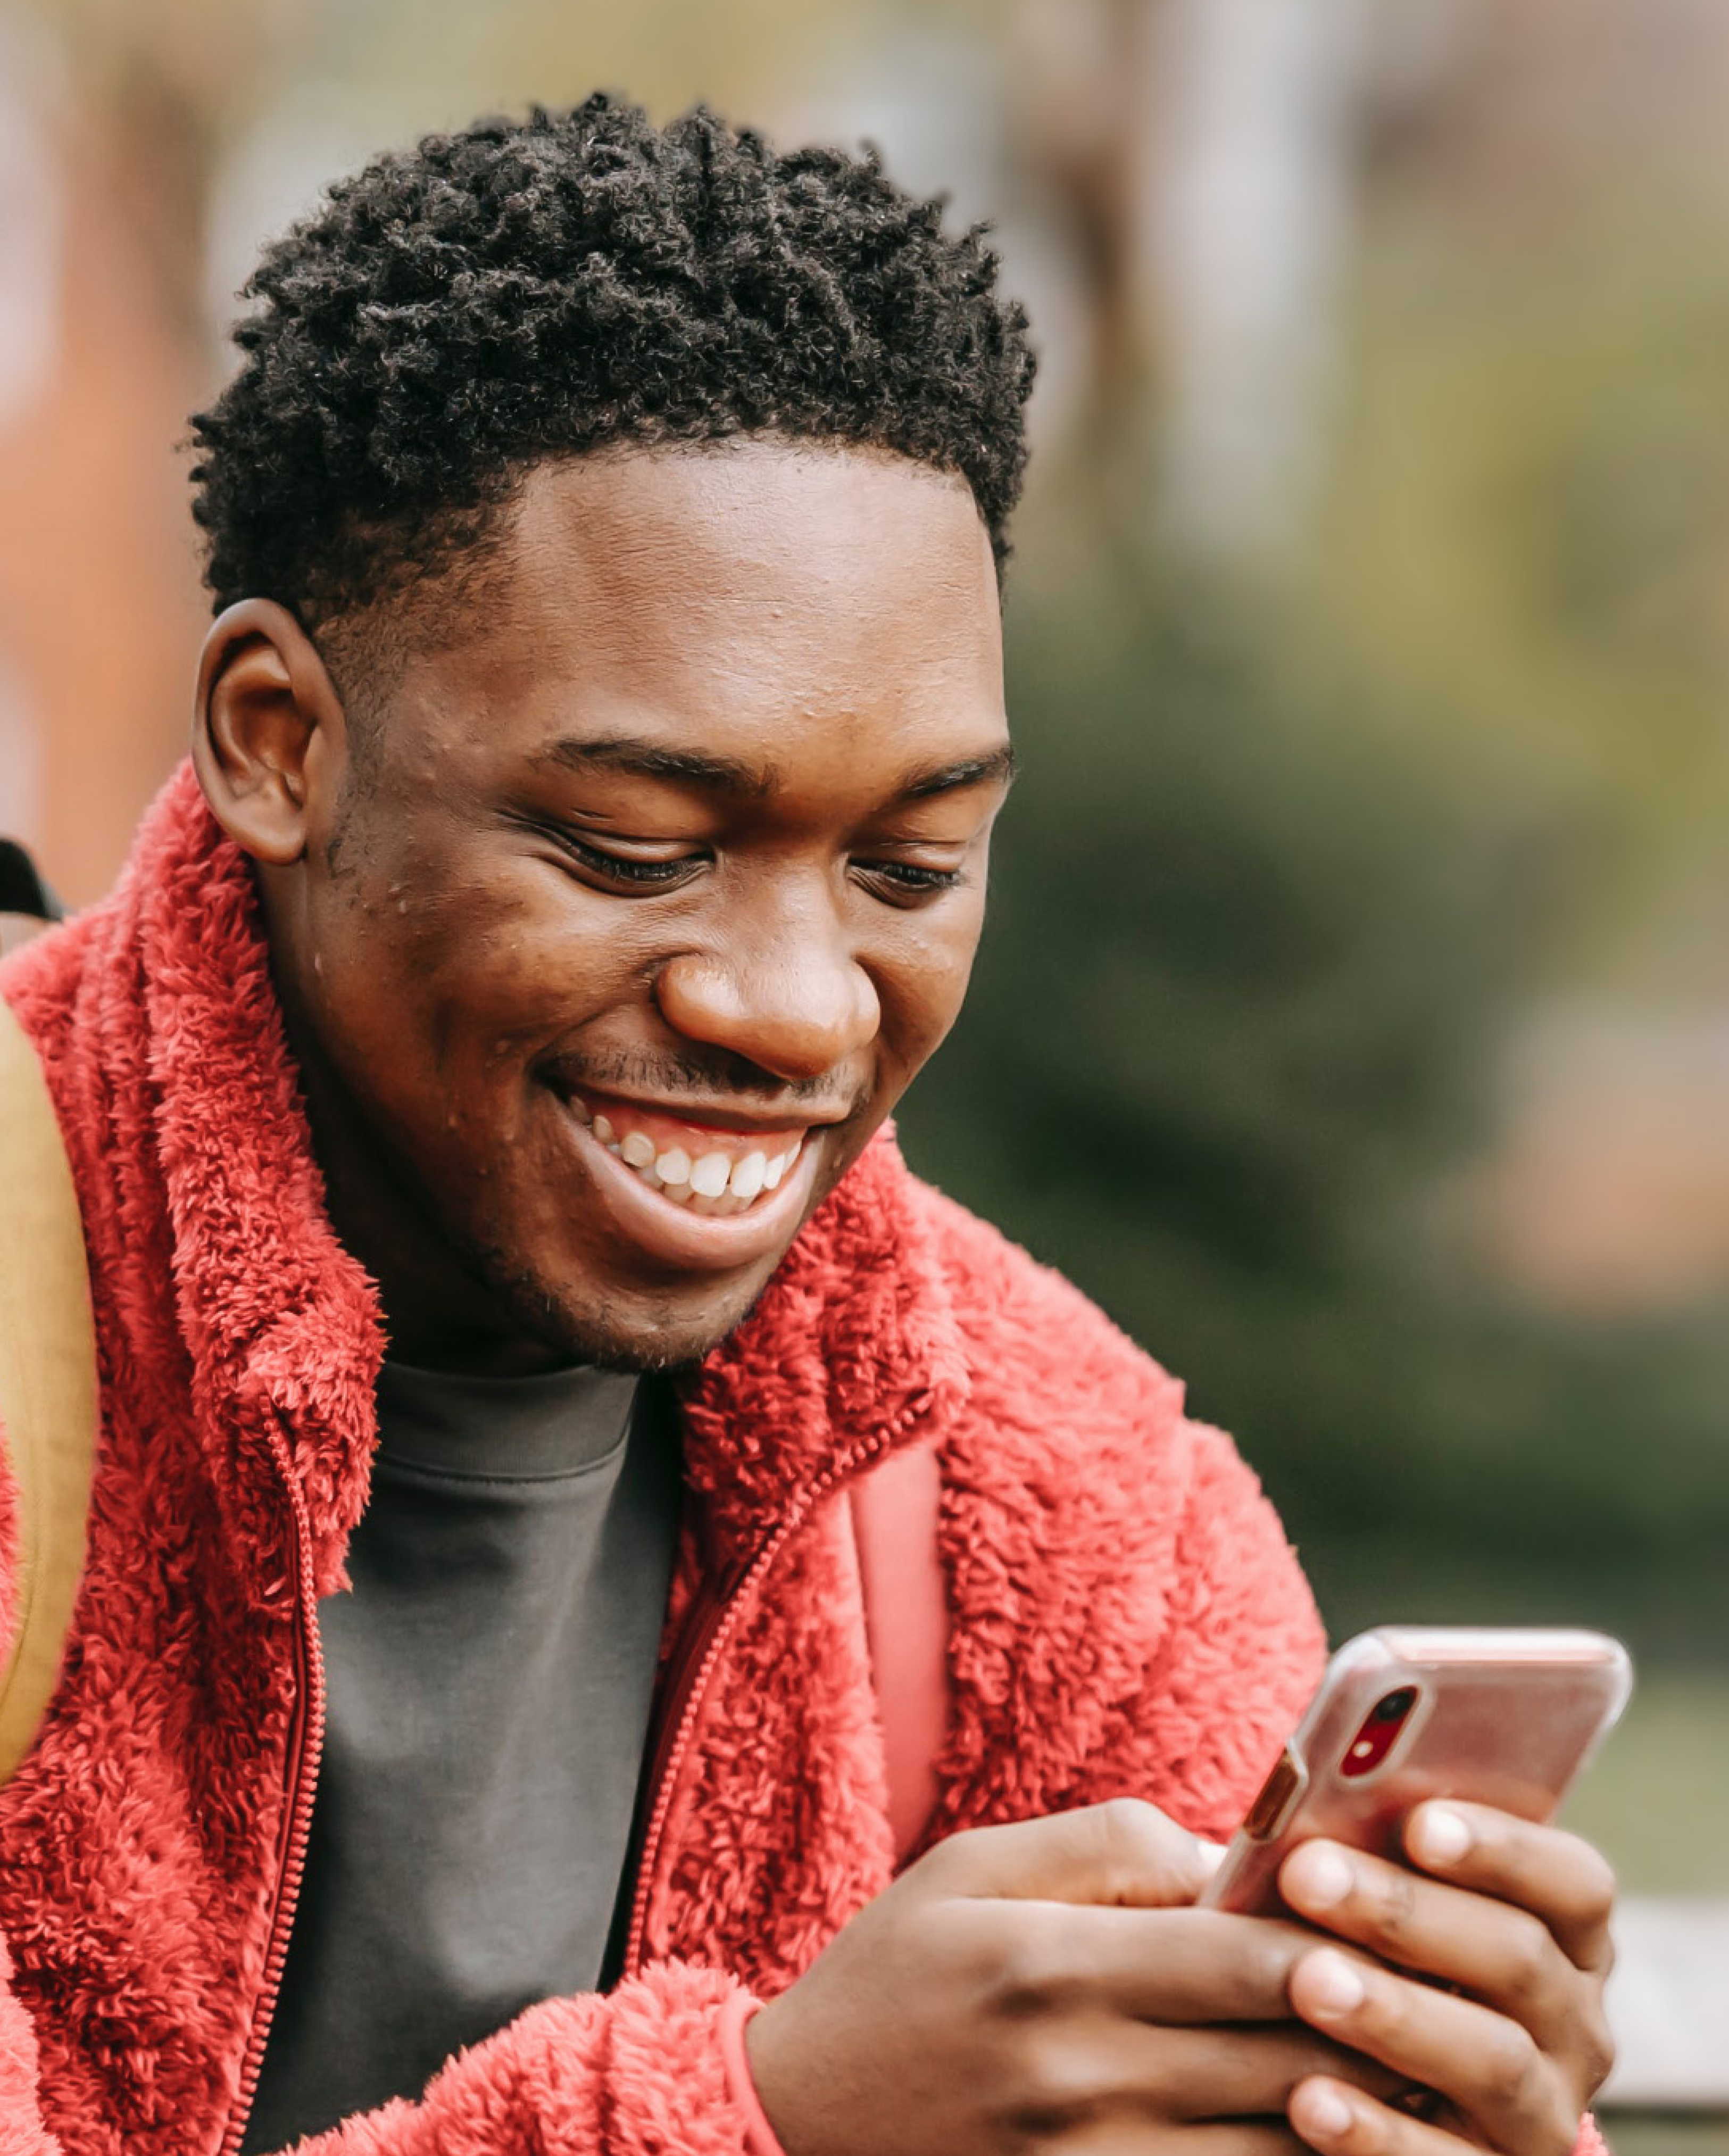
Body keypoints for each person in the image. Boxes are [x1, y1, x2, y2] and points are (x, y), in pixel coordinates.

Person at [0, 97, 1616, 2156]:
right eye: (632, 843)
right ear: (277, 741)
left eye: (913, 865)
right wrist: (750, 2121)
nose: (793, 1007)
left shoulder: (1070, 1516)